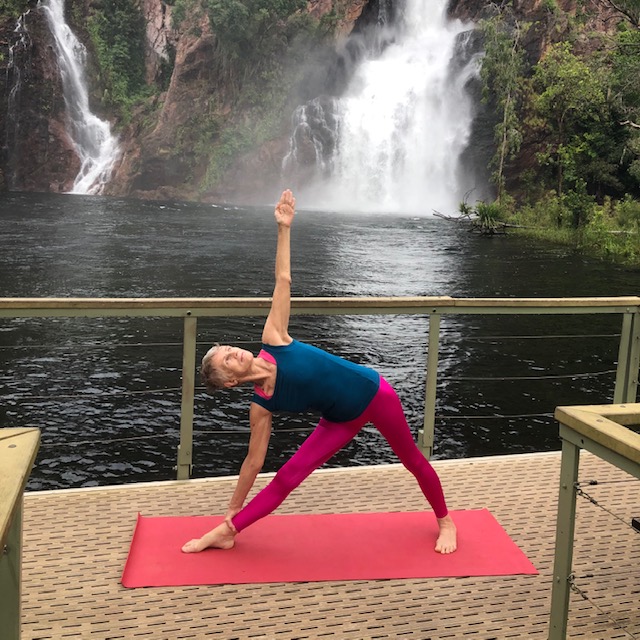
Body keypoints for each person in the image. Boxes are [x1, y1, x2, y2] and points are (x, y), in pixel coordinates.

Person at [182, 189, 457, 555]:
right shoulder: (260, 405)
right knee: (286, 477)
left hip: (373, 394)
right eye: (227, 361)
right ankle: (228, 530)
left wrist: (284, 228)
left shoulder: (274, 338)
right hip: (339, 419)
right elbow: (254, 460)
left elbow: (283, 281)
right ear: (231, 381)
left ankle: (445, 521)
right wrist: (234, 504)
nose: (234, 352)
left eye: (230, 349)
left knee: (412, 460)